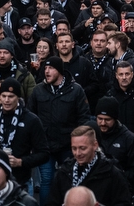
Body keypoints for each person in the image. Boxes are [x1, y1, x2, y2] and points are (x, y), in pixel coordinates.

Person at [27, 57, 91, 205]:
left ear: (60, 71)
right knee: (47, 181)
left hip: (68, 146)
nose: (46, 71)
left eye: (51, 68)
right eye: (45, 69)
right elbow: (31, 116)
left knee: (70, 180)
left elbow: (83, 116)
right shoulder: (38, 90)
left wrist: (77, 140)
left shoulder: (76, 90)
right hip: (45, 145)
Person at [47, 125, 131, 206]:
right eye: (74, 148)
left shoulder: (111, 173)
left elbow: (124, 202)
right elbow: (52, 202)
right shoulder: (64, 172)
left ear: (95, 145)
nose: (77, 153)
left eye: (82, 148)